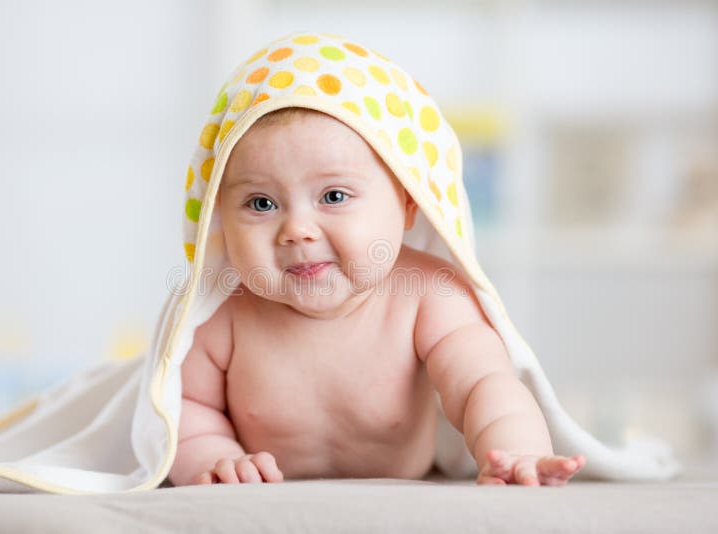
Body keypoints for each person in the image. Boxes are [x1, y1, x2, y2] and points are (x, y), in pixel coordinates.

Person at [167, 105, 586, 487]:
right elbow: (183, 407)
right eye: (261, 203)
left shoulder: (429, 295)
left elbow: (483, 384)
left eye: (333, 196)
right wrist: (216, 457)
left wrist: (515, 452)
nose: (297, 229)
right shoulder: (221, 311)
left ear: (407, 203)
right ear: (218, 217)